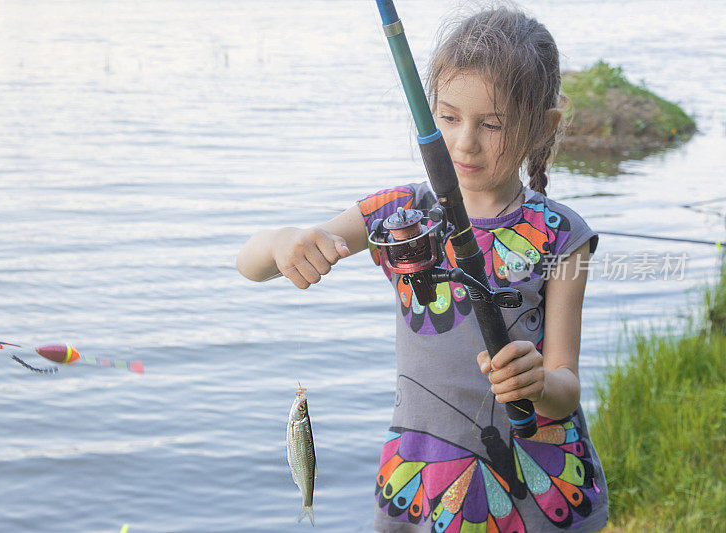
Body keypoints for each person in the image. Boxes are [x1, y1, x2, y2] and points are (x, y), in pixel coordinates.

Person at [237, 6, 608, 532]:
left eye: (492, 124)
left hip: (541, 488)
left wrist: (539, 381)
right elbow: (249, 265)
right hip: (427, 481)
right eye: (449, 117)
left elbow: (566, 384)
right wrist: (281, 242)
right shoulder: (398, 217)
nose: (464, 142)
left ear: (541, 128)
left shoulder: (564, 238)